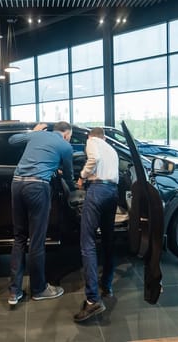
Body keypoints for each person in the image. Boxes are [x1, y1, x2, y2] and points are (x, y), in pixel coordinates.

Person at [7, 121, 75, 307]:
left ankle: (14, 291)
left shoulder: (38, 135)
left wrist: (33, 131)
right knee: (37, 239)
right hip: (37, 186)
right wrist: (74, 185)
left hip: (17, 183)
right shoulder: (65, 145)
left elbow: (12, 140)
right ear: (67, 134)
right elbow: (69, 174)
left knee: (19, 237)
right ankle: (38, 289)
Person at [73, 127, 119, 323]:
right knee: (108, 240)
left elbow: (94, 159)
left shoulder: (92, 142)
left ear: (91, 136)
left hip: (97, 190)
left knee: (88, 243)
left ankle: (93, 300)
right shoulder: (112, 149)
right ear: (105, 136)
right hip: (112, 192)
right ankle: (106, 286)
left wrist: (82, 176)